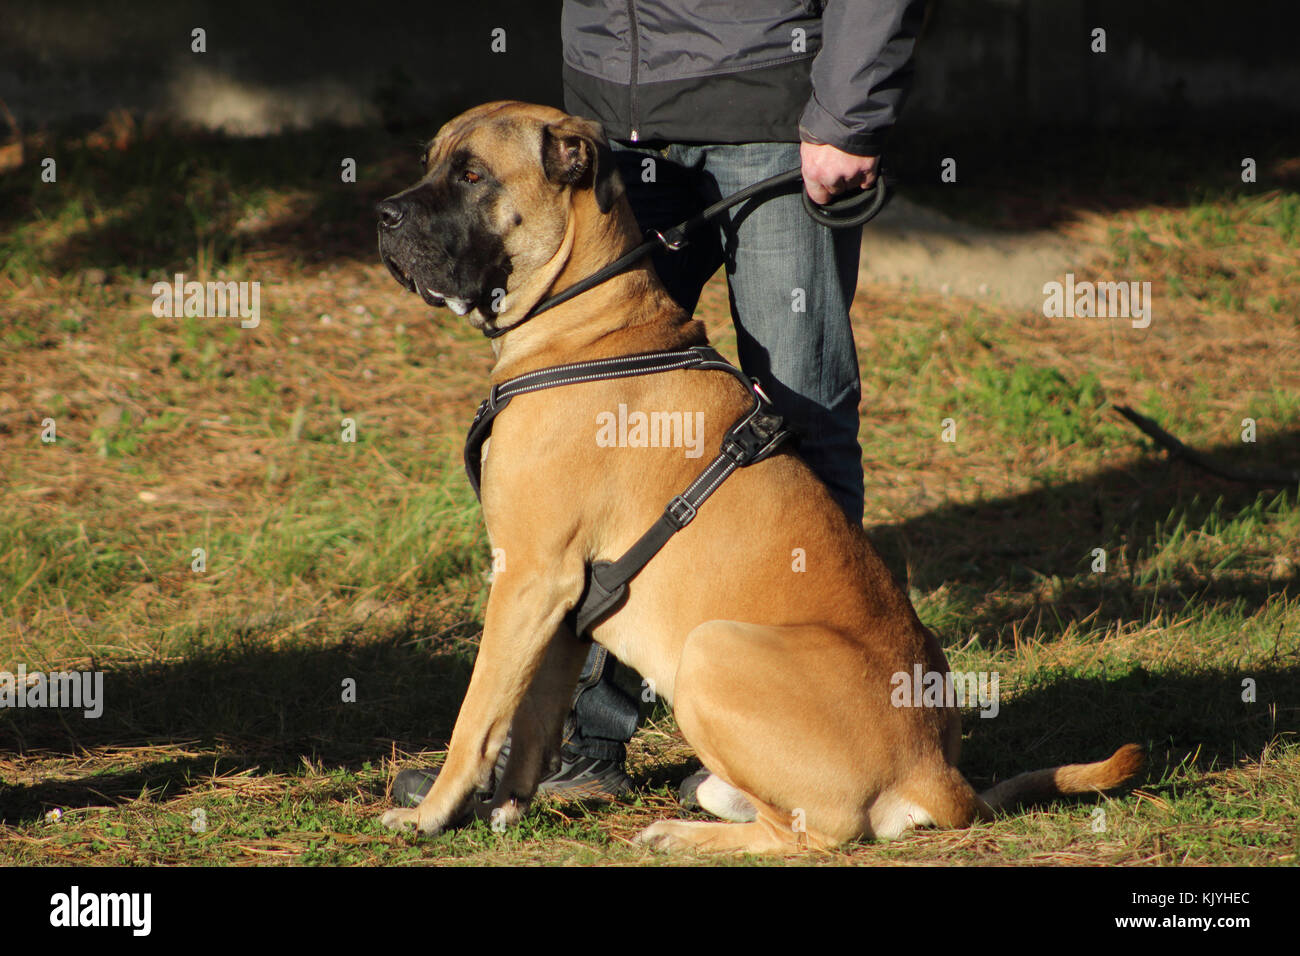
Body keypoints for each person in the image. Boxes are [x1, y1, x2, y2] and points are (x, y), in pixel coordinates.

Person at [394, 0, 926, 808]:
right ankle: (590, 746)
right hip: (619, 113)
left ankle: (833, 746)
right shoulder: (556, 151)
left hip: (776, 104)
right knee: (614, 475)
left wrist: (849, 111)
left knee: (797, 418)